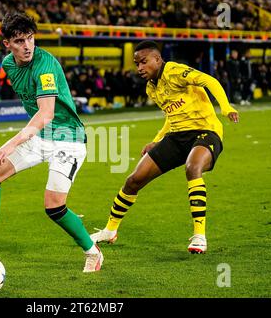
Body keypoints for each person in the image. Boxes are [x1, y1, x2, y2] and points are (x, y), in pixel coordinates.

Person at [0, 12, 103, 273]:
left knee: (53, 205)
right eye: (19, 40)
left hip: (68, 138)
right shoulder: (8, 64)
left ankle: (93, 251)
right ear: (7, 43)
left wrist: (12, 143)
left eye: (30, 38)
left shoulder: (45, 64)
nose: (27, 45)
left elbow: (46, 112)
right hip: (40, 136)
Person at [90, 40, 239, 254]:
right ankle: (110, 230)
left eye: (144, 62)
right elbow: (171, 116)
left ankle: (199, 236)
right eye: (136, 64)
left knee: (193, 168)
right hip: (176, 136)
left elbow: (209, 80)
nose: (139, 68)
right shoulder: (152, 88)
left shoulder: (175, 71)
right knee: (134, 180)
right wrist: (158, 139)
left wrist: (225, 107)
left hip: (205, 132)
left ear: (158, 59)